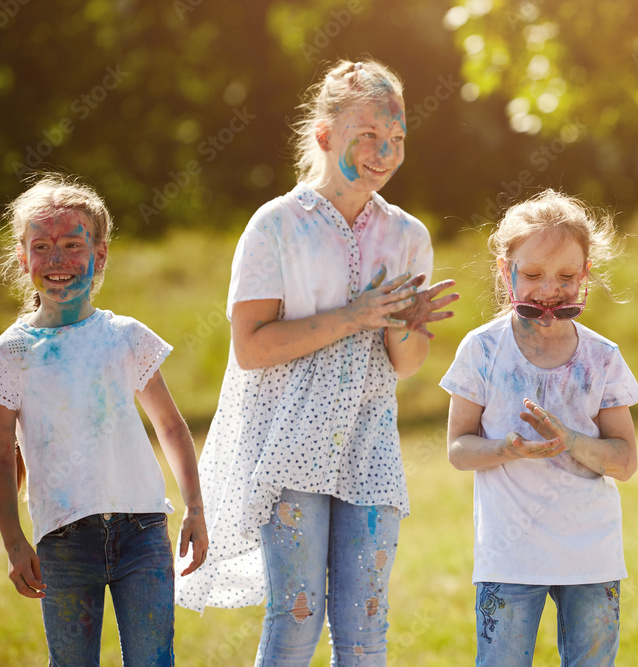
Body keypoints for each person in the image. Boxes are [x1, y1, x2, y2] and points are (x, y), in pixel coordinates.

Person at [175, 58, 458, 666]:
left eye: (397, 139)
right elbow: (251, 348)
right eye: (369, 136)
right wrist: (355, 315)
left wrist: (408, 329)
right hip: (290, 442)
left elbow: (406, 366)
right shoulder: (275, 226)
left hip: (371, 444)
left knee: (366, 629)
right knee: (297, 619)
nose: (385, 152)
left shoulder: (409, 237)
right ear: (326, 136)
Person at [0, 173, 208, 665]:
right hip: (64, 543)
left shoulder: (125, 338)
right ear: (21, 257)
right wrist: (13, 543)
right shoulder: (10, 355)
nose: (58, 259)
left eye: (74, 244)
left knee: (154, 659)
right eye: (43, 246)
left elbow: (172, 428)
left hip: (143, 532)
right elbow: (1, 460)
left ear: (100, 256)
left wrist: (195, 509)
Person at [441, 189, 638, 666]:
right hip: (509, 559)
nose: (549, 289)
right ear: (504, 270)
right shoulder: (482, 350)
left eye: (566, 276)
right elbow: (458, 448)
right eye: (532, 275)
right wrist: (507, 449)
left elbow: (626, 461)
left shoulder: (602, 357)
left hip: (591, 557)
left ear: (586, 274)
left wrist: (569, 440)